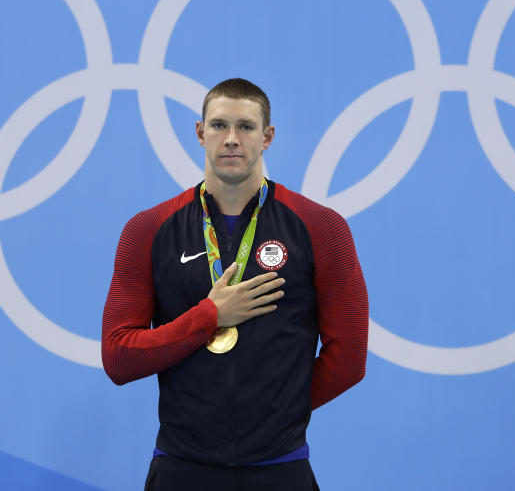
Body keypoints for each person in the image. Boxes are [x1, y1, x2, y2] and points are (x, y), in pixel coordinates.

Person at [102, 78, 369, 490]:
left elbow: (349, 358)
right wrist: (210, 316)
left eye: (245, 127)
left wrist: (273, 416)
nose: (231, 139)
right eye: (219, 126)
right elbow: (118, 357)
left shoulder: (321, 228)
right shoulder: (148, 230)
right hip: (181, 467)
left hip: (281, 468)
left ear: (267, 137)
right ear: (199, 132)